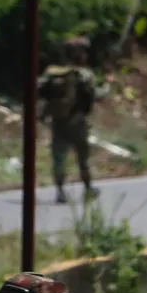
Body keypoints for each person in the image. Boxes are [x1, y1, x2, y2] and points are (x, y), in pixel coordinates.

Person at [39, 37, 101, 205]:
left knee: (58, 157)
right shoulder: (84, 74)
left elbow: (40, 91)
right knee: (82, 157)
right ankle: (88, 188)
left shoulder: (52, 73)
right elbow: (91, 96)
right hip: (77, 120)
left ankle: (60, 192)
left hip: (58, 120)